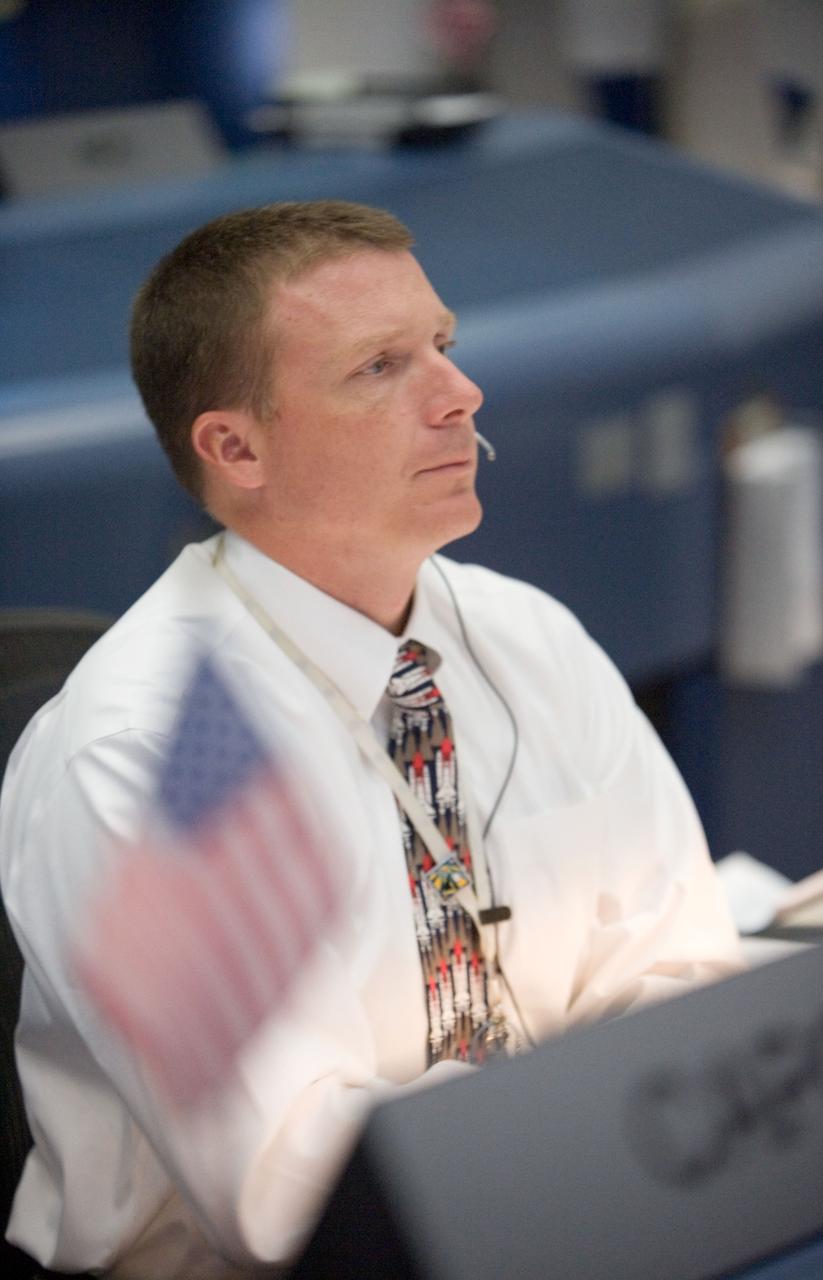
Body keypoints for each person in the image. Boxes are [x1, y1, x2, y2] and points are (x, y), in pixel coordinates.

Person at [0, 200, 742, 1278]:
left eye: (441, 344)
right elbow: (288, 1190)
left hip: (577, 1227)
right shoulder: (154, 753)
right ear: (235, 446)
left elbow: (682, 972)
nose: (459, 394)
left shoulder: (523, 634)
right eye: (380, 368)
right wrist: (599, 1135)